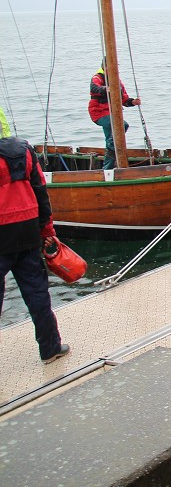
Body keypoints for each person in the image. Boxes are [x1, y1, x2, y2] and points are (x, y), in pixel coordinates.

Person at [0, 108, 69, 364]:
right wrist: (47, 230)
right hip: (27, 228)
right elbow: (40, 191)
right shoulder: (25, 150)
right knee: (37, 291)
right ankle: (50, 349)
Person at [88, 60, 141, 169]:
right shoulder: (97, 78)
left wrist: (133, 102)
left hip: (113, 113)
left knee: (111, 139)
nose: (115, 69)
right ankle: (109, 158)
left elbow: (124, 99)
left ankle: (107, 170)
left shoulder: (118, 82)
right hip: (99, 112)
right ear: (105, 67)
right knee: (122, 126)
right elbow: (94, 88)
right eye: (112, 66)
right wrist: (105, 89)